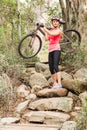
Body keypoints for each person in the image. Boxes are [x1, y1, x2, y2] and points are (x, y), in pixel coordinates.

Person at [40, 16, 63, 88]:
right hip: (50, 50)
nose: (55, 23)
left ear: (58, 23)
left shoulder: (59, 30)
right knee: (51, 68)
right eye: (54, 22)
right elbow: (46, 39)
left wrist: (45, 29)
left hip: (56, 49)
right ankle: (54, 83)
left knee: (55, 66)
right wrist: (45, 31)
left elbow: (52, 34)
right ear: (52, 23)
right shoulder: (51, 30)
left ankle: (59, 83)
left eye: (56, 21)